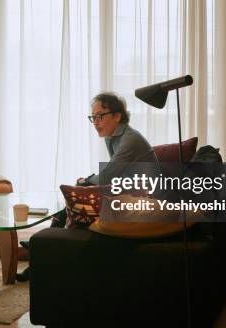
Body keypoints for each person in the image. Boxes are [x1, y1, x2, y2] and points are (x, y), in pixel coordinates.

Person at [16, 92, 159, 281]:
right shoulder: (114, 135)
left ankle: (43, 250)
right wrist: (88, 182)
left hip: (143, 198)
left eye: (100, 116)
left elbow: (109, 174)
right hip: (126, 190)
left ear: (117, 116)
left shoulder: (129, 139)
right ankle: (43, 250)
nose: (96, 122)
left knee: (76, 195)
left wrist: (86, 183)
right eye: (93, 117)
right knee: (75, 197)